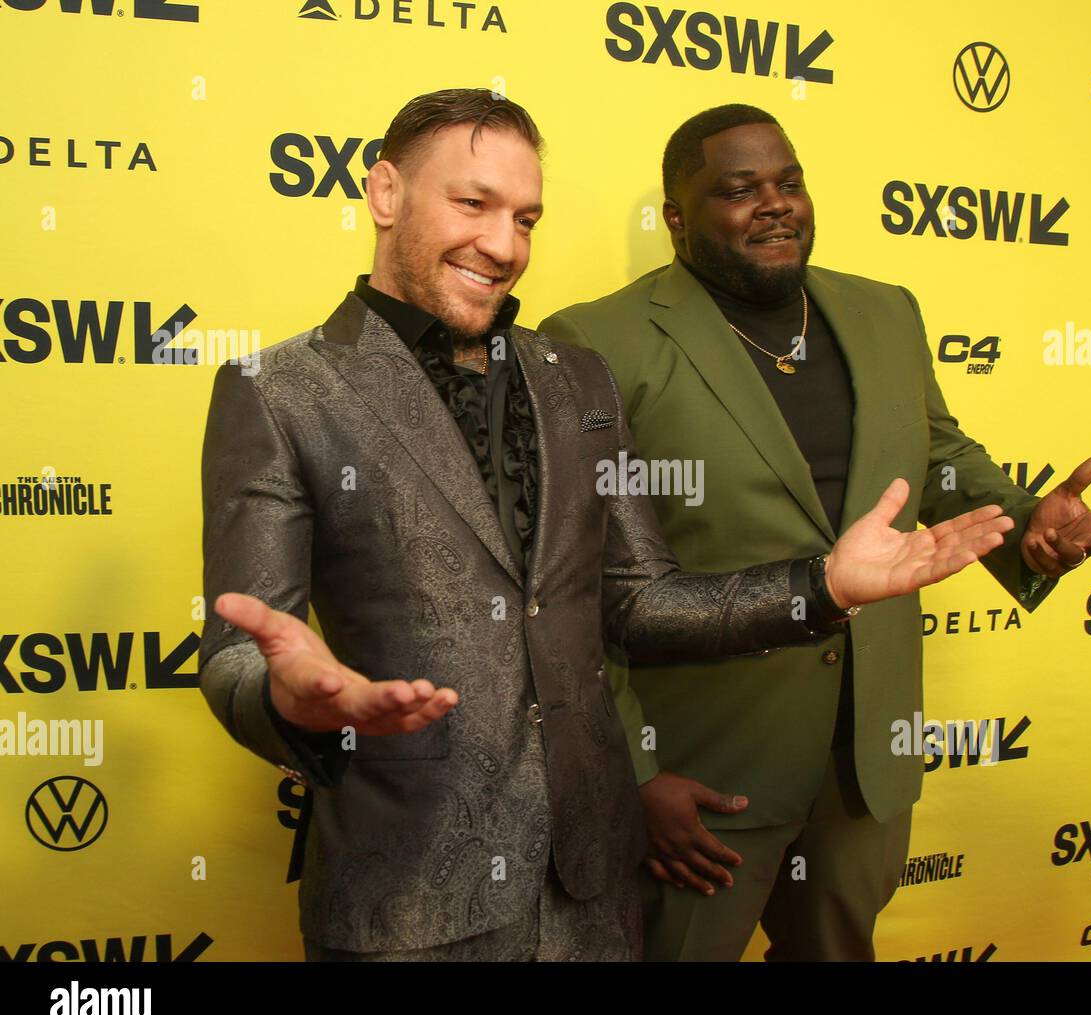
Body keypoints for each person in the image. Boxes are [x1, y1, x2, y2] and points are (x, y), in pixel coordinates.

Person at [197, 90, 1017, 962]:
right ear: (387, 194)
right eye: (472, 204)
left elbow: (640, 603)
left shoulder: (574, 378)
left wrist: (823, 588)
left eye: (526, 217)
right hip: (411, 894)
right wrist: (292, 702)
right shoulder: (279, 389)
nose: (503, 244)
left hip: (594, 885)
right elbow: (240, 652)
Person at [538, 103, 1091, 962]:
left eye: (789, 181)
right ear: (678, 220)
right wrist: (632, 775)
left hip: (864, 762)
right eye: (739, 188)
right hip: (705, 772)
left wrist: (1024, 527)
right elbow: (573, 582)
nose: (775, 202)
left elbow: (937, 452)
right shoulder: (595, 339)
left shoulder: (885, 313)